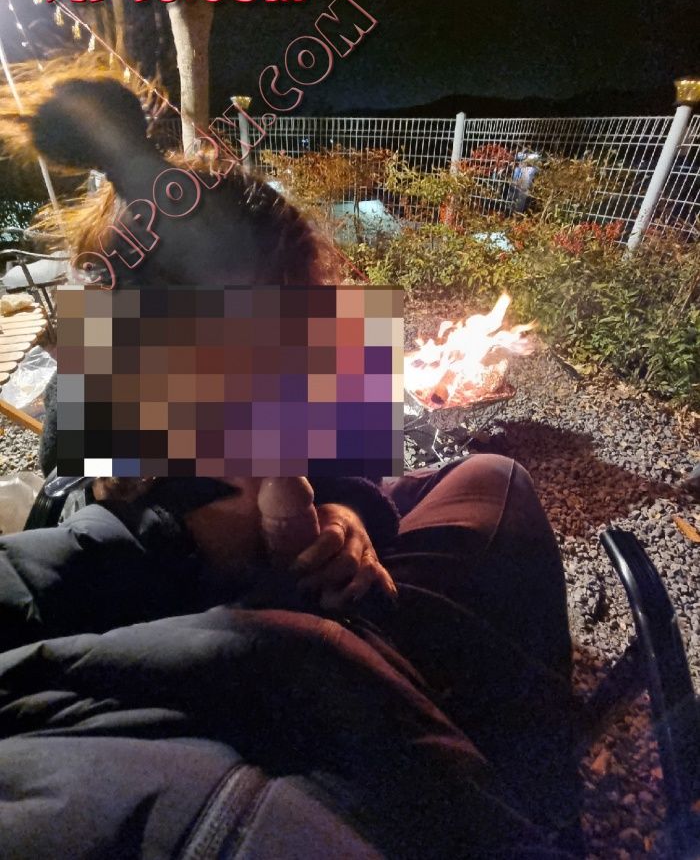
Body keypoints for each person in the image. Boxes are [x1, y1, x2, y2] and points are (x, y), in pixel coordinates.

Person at [1, 76, 580, 857]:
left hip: (319, 589)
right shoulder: (99, 372)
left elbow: (354, 468)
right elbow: (61, 511)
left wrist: (346, 516)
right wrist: (183, 522)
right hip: (218, 647)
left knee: (489, 475)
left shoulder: (315, 337)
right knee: (493, 494)